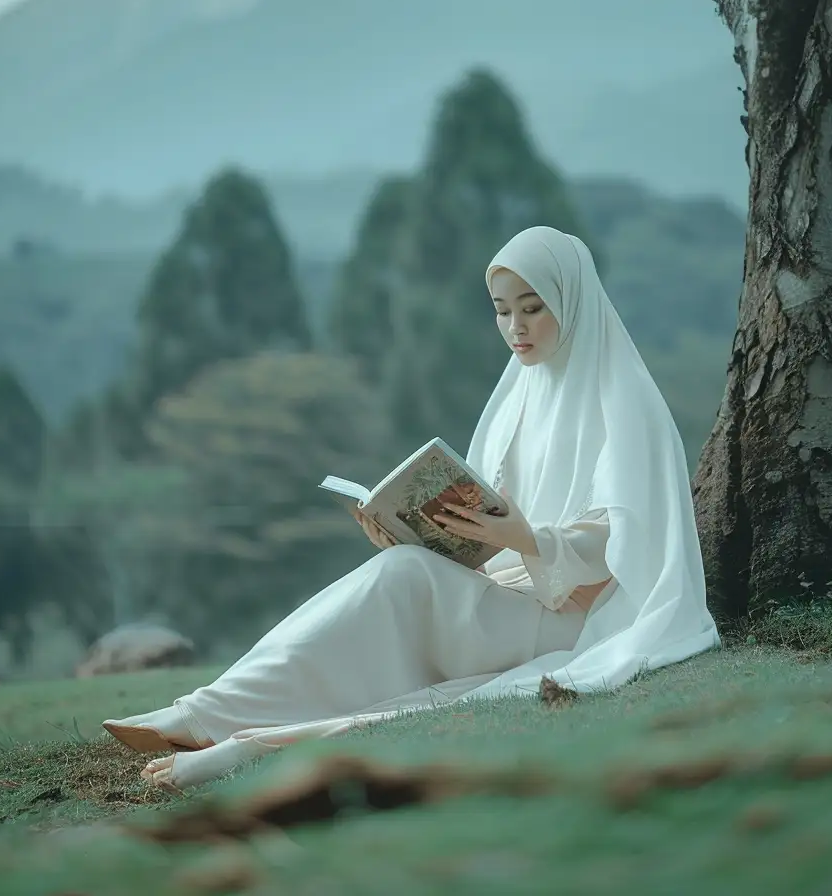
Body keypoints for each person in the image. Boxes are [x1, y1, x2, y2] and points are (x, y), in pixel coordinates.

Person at [103, 227, 717, 789]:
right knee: (400, 571)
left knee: (401, 581)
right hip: (508, 595)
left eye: (533, 309)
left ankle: (218, 720)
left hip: (573, 619)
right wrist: (414, 531)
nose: (516, 329)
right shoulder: (519, 394)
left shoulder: (626, 399)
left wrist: (530, 539)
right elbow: (488, 525)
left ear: (573, 301)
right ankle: (210, 711)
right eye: (503, 312)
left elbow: (631, 542)